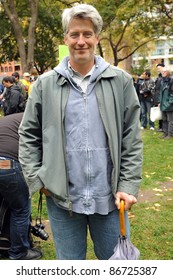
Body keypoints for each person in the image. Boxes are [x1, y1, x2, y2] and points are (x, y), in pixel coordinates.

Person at [19, 4, 142, 260]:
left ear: (97, 37)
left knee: (116, 267)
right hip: (63, 201)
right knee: (70, 268)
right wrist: (39, 180)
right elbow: (28, 134)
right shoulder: (45, 84)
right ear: (66, 38)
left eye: (87, 34)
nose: (81, 41)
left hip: (109, 199)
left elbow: (131, 137)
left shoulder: (120, 81)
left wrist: (128, 185)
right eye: (74, 34)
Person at [0, 113, 43, 260]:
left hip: (3, 161)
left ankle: (3, 243)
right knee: (21, 209)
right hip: (7, 164)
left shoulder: (13, 118)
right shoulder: (36, 119)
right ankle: (18, 253)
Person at [159, 67, 173, 139]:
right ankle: (165, 133)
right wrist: (159, 102)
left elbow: (172, 93)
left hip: (169, 104)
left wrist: (170, 102)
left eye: (164, 72)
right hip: (162, 103)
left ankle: (170, 134)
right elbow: (160, 92)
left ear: (168, 72)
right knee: (164, 119)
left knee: (170, 120)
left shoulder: (171, 80)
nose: (162, 73)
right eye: (162, 72)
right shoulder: (162, 81)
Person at [153, 63, 165, 132]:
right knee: (159, 112)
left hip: (162, 98)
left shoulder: (164, 77)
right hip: (157, 97)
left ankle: (163, 127)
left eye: (159, 68)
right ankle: (160, 126)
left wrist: (160, 100)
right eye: (157, 68)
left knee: (163, 113)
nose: (158, 70)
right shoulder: (159, 77)